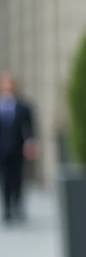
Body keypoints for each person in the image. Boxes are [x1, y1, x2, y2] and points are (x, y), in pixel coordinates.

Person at [0, 72, 36, 224]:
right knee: (5, 180)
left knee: (18, 178)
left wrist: (31, 143)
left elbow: (30, 128)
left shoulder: (23, 107)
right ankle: (7, 208)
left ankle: (18, 205)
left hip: (17, 149)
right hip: (2, 150)